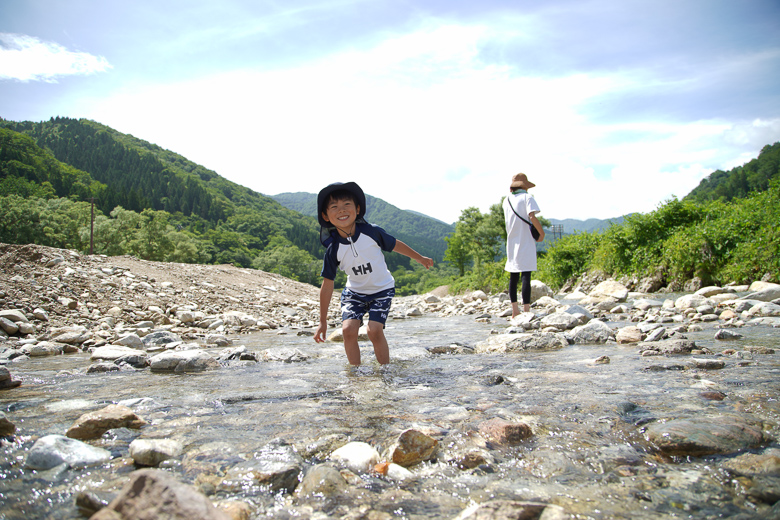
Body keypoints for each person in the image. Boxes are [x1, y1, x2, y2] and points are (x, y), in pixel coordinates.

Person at [313, 182, 434, 366]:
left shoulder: (372, 232)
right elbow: (327, 285)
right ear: (325, 216)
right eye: (334, 207)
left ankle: (385, 372)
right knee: (348, 330)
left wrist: (420, 258)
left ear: (358, 209)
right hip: (354, 293)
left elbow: (396, 244)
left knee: (374, 331)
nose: (341, 210)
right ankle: (355, 374)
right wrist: (322, 321)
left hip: (382, 290)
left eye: (347, 204)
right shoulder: (333, 249)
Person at [503, 173, 545, 318]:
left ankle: (515, 311)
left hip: (511, 240)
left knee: (513, 276)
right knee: (526, 274)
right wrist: (542, 233)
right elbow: (532, 216)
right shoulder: (528, 198)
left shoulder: (506, 200)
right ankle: (526, 311)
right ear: (525, 186)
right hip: (525, 240)